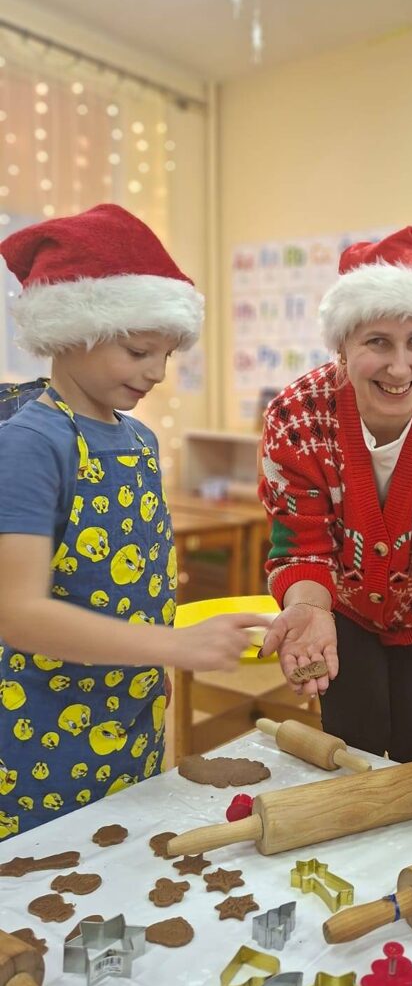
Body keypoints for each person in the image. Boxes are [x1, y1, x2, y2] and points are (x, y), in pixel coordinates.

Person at [0, 204, 264, 839]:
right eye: (139, 351)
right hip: (42, 730)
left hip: (131, 711)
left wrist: (168, 651)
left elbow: (132, 582)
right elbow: (16, 612)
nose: (156, 373)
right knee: (50, 875)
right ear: (72, 331)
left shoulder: (140, 440)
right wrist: (174, 646)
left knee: (124, 855)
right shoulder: (33, 443)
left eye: (167, 354)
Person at [259, 226, 412, 762]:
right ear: (342, 347)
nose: (399, 367)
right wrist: (307, 605)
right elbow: (301, 544)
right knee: (353, 748)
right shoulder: (297, 416)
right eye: (377, 342)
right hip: (338, 609)